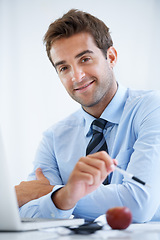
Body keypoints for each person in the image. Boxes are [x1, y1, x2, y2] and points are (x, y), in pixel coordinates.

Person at [15, 9, 160, 222]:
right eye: (64, 68)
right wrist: (60, 194)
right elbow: (27, 211)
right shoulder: (53, 139)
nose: (76, 76)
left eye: (84, 59)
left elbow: (139, 205)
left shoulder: (151, 109)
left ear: (110, 57)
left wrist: (55, 194)